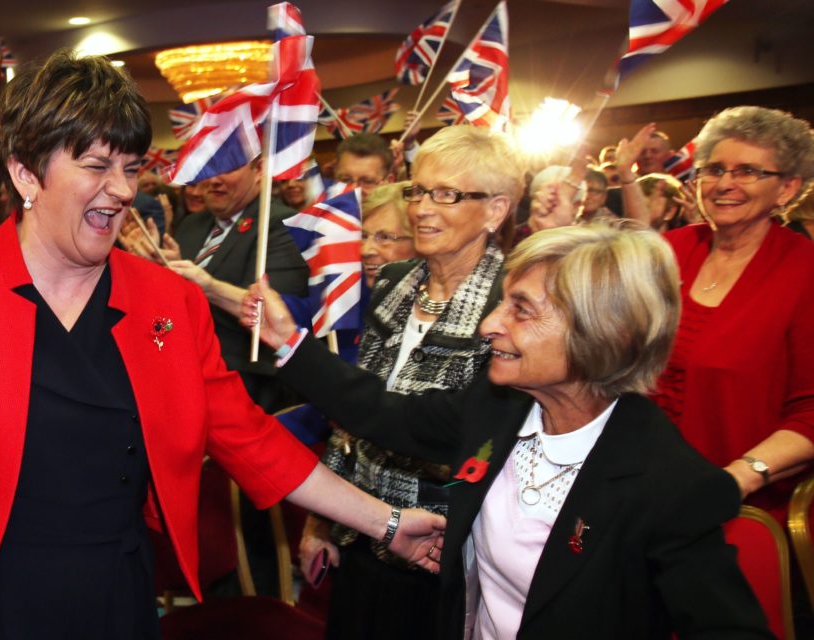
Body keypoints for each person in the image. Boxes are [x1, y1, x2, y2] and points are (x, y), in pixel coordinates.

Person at [0, 50, 444, 640]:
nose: (121, 189)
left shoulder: (169, 302)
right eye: (96, 166)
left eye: (132, 167)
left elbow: (251, 440)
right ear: (27, 174)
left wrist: (388, 524)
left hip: (113, 591)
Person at [244, 222, 772, 640]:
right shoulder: (499, 407)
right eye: (502, 302)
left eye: (521, 310)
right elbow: (386, 414)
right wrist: (290, 343)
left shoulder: (670, 485)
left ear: (604, 333)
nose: (489, 324)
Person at [296, 125, 520, 640]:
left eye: (447, 195)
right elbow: (353, 415)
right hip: (361, 534)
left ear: (495, 210)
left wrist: (293, 351)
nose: (421, 208)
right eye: (418, 190)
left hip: (444, 554)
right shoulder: (396, 283)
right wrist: (320, 521)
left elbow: (458, 439)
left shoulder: (509, 305)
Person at [646, 106, 814, 521]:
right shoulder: (669, 251)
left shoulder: (805, 271)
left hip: (742, 511)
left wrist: (739, 477)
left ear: (787, 188)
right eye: (714, 169)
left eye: (748, 172)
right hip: (640, 492)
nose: (725, 184)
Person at [122, 158, 309, 412]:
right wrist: (158, 267)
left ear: (258, 171)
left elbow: (279, 314)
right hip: (181, 362)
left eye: (227, 167)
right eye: (208, 169)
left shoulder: (282, 223)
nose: (214, 180)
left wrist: (207, 285)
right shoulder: (193, 224)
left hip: (248, 378)